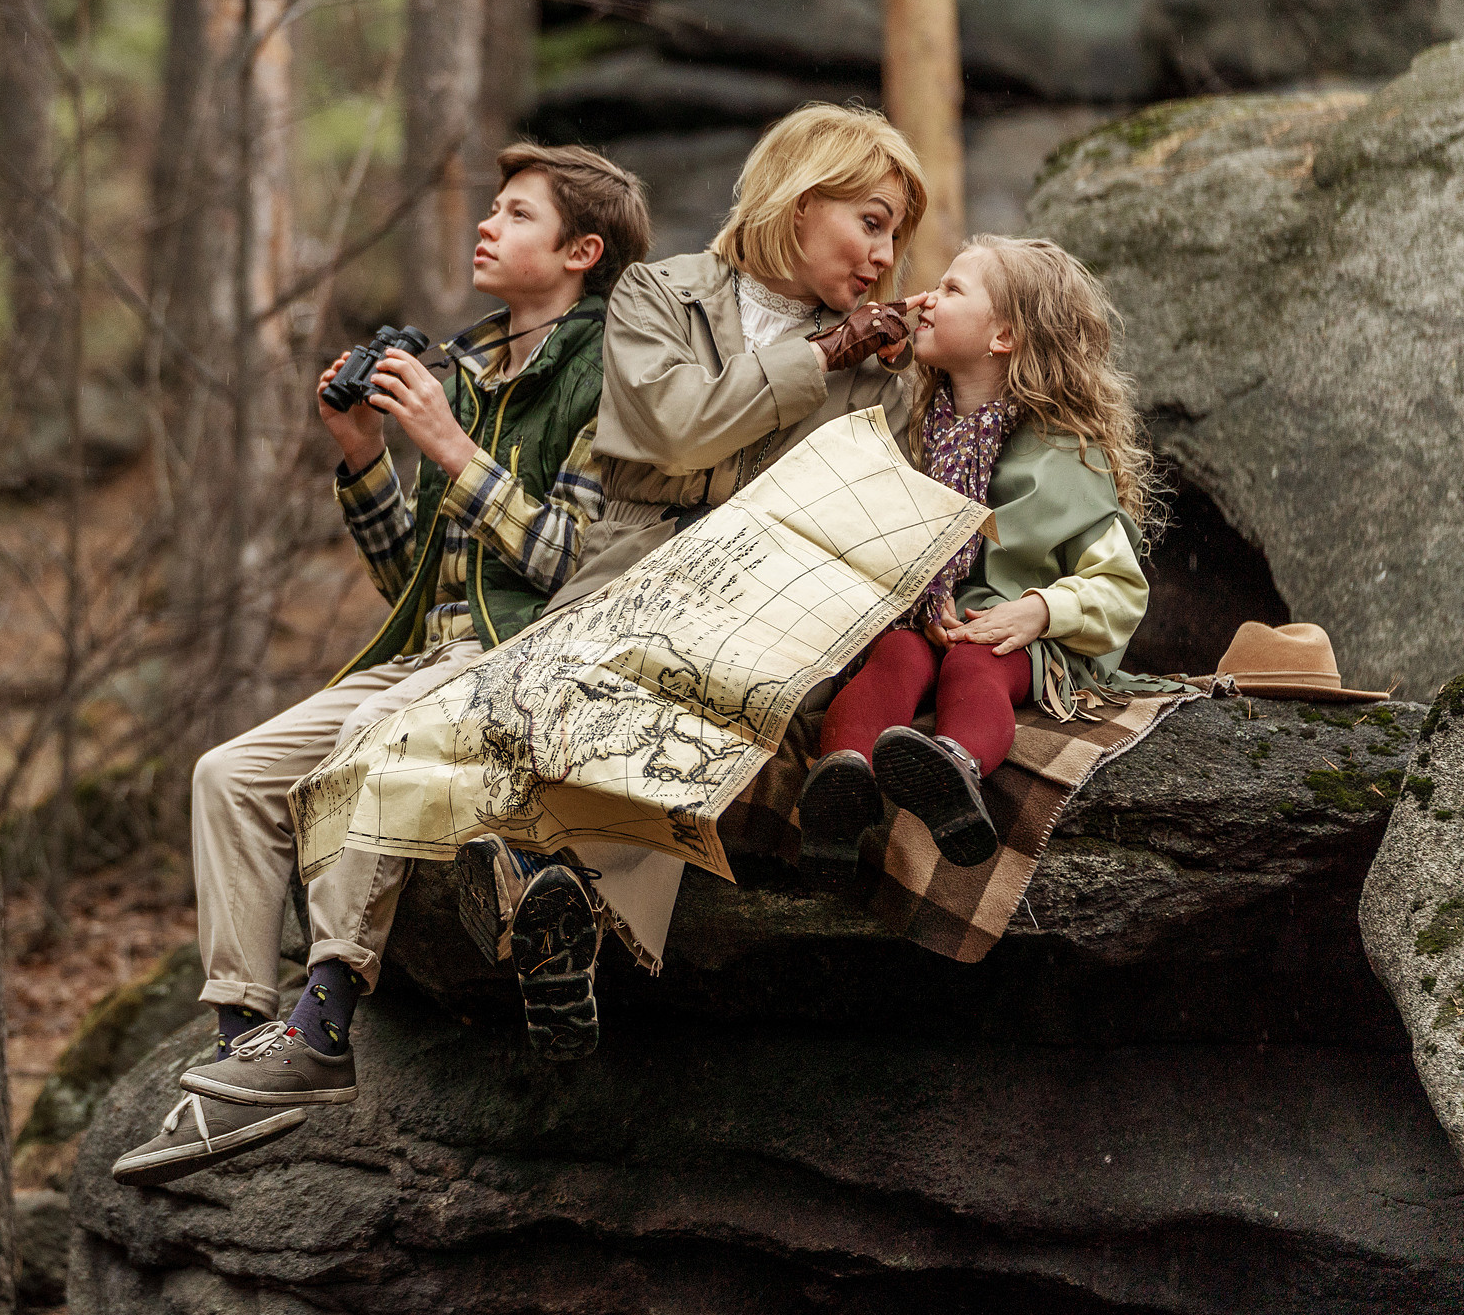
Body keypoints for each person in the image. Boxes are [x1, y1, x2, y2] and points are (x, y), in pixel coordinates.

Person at [111, 144, 653, 1186]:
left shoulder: (607, 374)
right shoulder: (478, 364)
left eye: (516, 214)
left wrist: (450, 449)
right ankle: (236, 1048)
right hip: (434, 646)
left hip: (523, 658)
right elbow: (419, 579)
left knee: (369, 743)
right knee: (227, 775)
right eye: (492, 210)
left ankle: (322, 1026)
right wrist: (363, 454)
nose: (487, 226)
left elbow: (572, 567)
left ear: (582, 252)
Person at [449, 104, 925, 1058]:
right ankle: (563, 910)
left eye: (897, 236)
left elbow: (846, 511)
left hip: (765, 607)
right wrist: (822, 355)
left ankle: (551, 907)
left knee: (689, 706)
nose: (884, 256)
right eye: (870, 221)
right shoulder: (656, 295)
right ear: (799, 197)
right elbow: (673, 430)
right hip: (623, 581)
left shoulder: (885, 375)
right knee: (565, 691)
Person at [800, 235, 1163, 868]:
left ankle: (953, 778)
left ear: (1004, 337)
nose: (927, 300)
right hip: (927, 624)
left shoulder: (1065, 456)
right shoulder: (918, 431)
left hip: (1021, 640)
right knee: (893, 656)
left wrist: (1040, 611)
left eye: (952, 289)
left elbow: (1119, 588)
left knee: (977, 665)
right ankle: (842, 788)